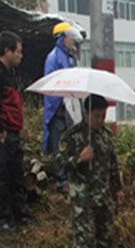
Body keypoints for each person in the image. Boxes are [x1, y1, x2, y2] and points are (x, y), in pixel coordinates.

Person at [56, 94, 124, 248]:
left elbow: (113, 164)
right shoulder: (73, 136)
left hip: (103, 195)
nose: (100, 119)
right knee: (86, 241)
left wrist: (118, 188)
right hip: (83, 199)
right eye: (96, 116)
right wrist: (79, 158)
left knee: (106, 235)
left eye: (103, 115)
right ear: (86, 114)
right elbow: (58, 163)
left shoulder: (105, 135)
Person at [0, 31, 31, 231]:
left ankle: (21, 214)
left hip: (13, 132)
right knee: (0, 175)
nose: (21, 55)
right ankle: (1, 217)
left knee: (16, 174)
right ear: (7, 51)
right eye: (18, 51)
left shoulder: (9, 73)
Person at [43, 22, 84, 192]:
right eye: (69, 39)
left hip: (69, 109)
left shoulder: (70, 57)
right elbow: (52, 85)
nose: (72, 42)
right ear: (62, 39)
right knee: (58, 144)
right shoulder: (53, 57)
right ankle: (61, 180)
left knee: (69, 144)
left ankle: (69, 175)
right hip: (58, 110)